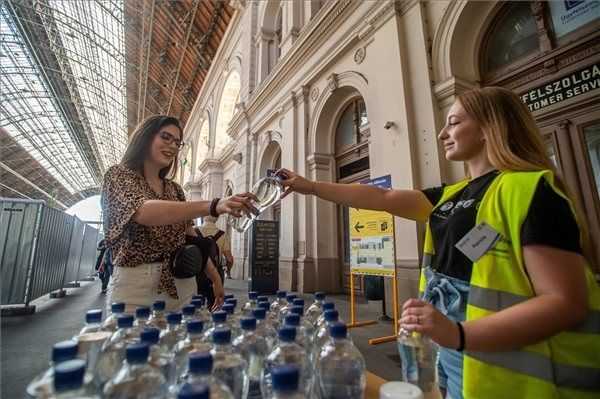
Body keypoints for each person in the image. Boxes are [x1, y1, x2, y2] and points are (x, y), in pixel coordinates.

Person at [277, 87, 600, 398]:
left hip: (506, 364)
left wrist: (458, 334)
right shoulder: (450, 195)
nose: (443, 133)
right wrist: (310, 186)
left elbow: (564, 301)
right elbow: (382, 196)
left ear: (490, 127)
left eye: (455, 122)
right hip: (449, 347)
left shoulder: (531, 190)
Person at [101, 115, 256, 313]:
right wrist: (213, 204)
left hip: (183, 284)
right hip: (135, 289)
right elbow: (143, 211)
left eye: (177, 142)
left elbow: (190, 239)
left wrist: (215, 277)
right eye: (165, 137)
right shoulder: (118, 175)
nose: (173, 146)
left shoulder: (174, 190)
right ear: (145, 137)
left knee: (182, 343)